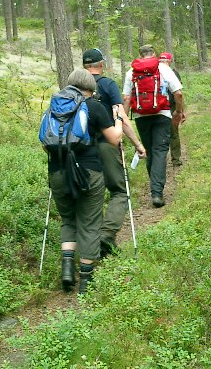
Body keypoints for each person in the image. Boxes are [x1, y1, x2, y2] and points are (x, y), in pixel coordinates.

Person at [45, 68, 123, 294]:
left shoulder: (54, 107)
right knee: (89, 224)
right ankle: (86, 282)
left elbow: (46, 143)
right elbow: (114, 140)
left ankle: (68, 269)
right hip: (88, 172)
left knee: (69, 219)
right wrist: (117, 119)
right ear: (90, 87)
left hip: (57, 172)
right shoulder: (94, 106)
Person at [82, 48, 146, 257]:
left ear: (84, 65)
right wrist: (137, 143)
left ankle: (92, 245)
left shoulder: (74, 87)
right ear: (102, 64)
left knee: (92, 194)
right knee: (119, 191)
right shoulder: (107, 84)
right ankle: (107, 236)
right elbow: (121, 117)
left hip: (80, 149)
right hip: (106, 145)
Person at [123, 45, 185, 208]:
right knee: (159, 151)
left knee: (150, 150)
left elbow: (126, 97)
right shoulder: (163, 68)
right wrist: (179, 112)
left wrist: (122, 121)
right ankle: (157, 193)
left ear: (140, 55)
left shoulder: (131, 72)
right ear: (154, 54)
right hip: (162, 114)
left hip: (141, 117)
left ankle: (155, 187)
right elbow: (178, 93)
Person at [159, 52, 183, 167]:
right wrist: (180, 111)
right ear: (170, 61)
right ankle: (176, 159)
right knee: (174, 133)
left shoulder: (154, 72)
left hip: (157, 108)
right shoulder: (173, 73)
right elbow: (178, 93)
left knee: (159, 134)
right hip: (171, 106)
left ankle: (159, 161)